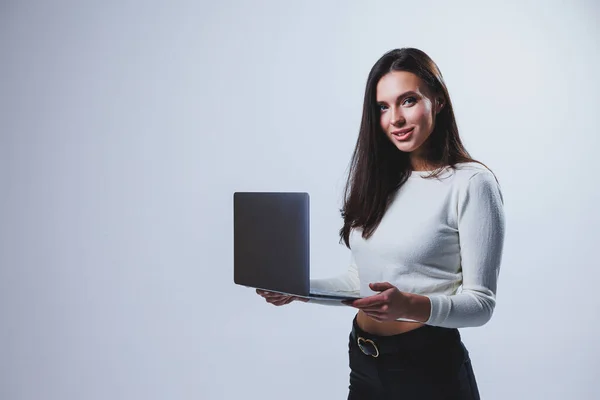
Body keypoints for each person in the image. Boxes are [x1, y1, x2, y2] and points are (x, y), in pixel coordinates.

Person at [257, 47, 505, 400]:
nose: (395, 119)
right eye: (383, 107)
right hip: (364, 360)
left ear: (438, 101)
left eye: (407, 100)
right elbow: (360, 282)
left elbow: (481, 305)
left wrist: (409, 306)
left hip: (428, 369)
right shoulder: (380, 181)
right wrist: (299, 289)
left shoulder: (471, 183)